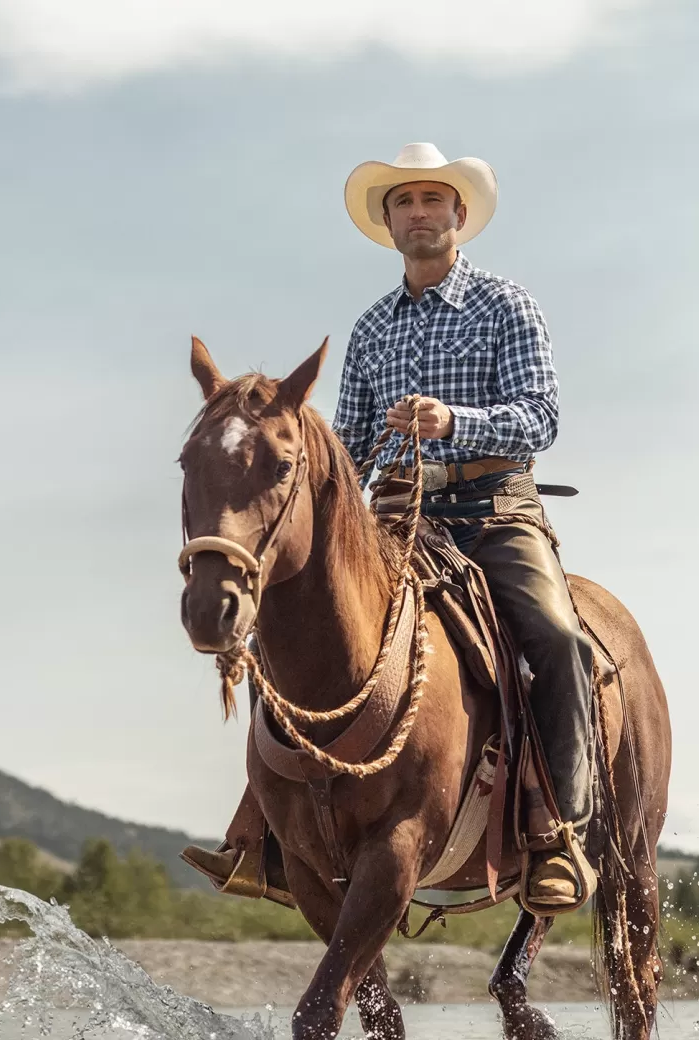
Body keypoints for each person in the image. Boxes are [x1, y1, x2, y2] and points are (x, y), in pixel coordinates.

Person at [184, 142, 596, 910]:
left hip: (494, 509)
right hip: (399, 517)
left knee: (556, 635)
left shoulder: (507, 305)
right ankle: (270, 833)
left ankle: (559, 834)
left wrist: (453, 420)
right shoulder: (372, 329)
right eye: (404, 203)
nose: (419, 214)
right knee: (305, 627)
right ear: (388, 223)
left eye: (432, 201)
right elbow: (346, 443)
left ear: (459, 215)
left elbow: (541, 417)